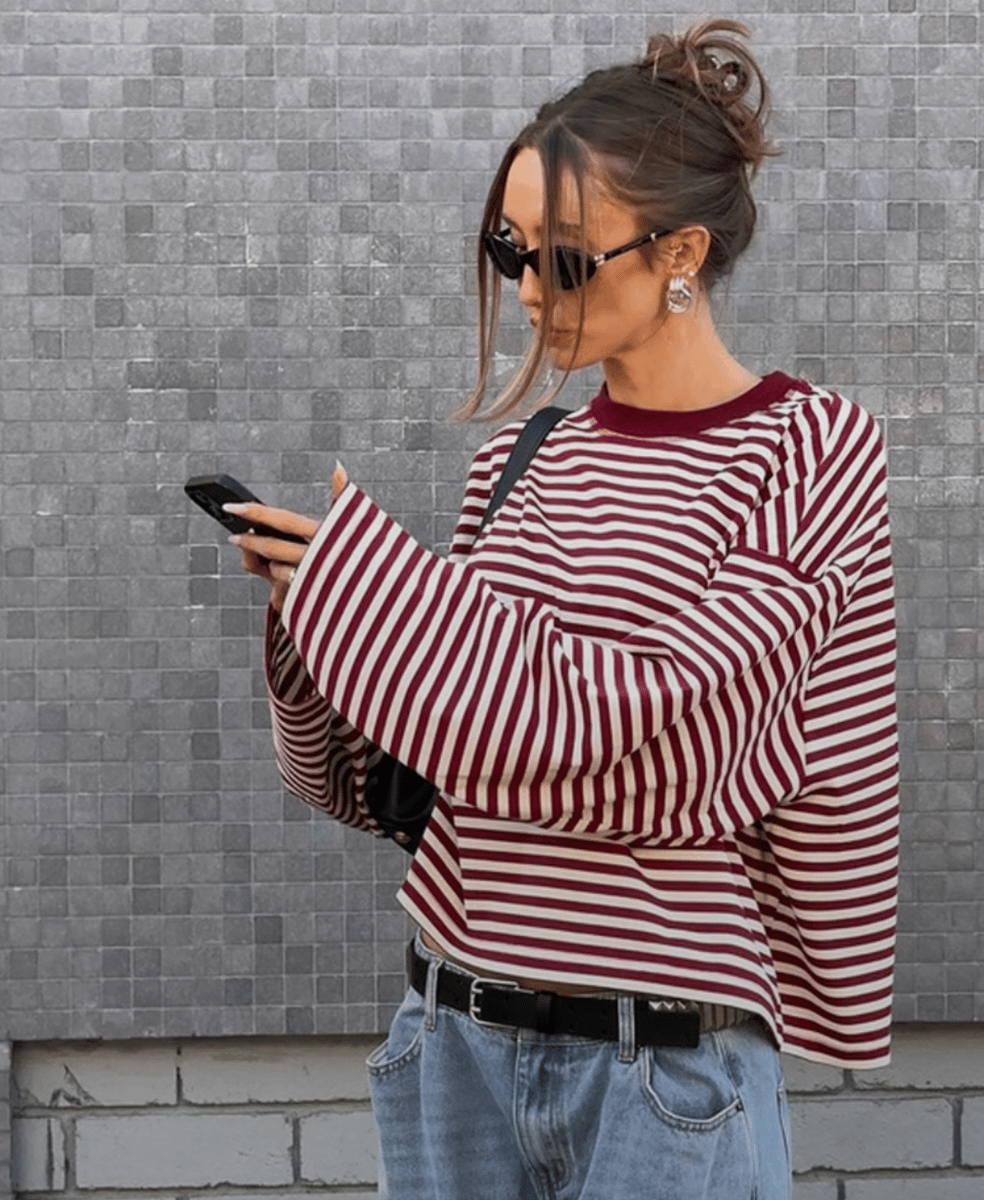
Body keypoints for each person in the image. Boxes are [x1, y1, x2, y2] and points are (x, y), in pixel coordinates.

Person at [228, 18, 899, 1200]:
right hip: (451, 1040)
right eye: (511, 251)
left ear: (679, 250)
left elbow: (673, 742)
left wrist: (386, 603)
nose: (531, 291)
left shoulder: (809, 450)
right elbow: (424, 759)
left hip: (662, 1067)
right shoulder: (516, 460)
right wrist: (315, 614)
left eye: (568, 259)